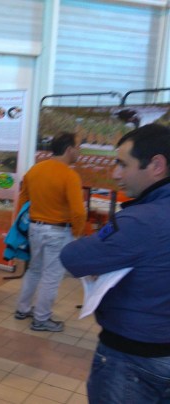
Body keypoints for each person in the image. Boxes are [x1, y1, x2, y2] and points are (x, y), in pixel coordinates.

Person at [60, 124, 170, 403]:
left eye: (123, 164)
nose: (115, 174)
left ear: (157, 165)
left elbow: (73, 257)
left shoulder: (141, 220)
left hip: (134, 358)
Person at [14, 133, 86, 332]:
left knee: (34, 270)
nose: (79, 152)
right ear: (69, 149)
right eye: (78, 148)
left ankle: (22, 309)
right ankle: (41, 319)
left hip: (34, 228)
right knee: (51, 276)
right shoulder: (69, 175)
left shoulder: (35, 170)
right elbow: (78, 211)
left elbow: (23, 201)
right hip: (58, 231)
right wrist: (78, 233)